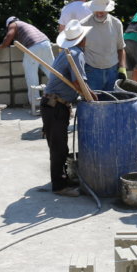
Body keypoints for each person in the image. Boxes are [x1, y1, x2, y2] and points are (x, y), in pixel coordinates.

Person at [41, 20, 93, 197]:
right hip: (55, 105)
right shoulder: (76, 53)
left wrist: (90, 93)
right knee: (58, 148)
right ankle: (59, 186)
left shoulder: (67, 52)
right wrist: (90, 97)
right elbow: (78, 82)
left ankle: (62, 179)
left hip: (53, 104)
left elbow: (78, 82)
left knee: (59, 147)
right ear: (82, 39)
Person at [0, 16, 55, 115]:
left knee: (31, 76)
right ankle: (61, 100)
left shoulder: (13, 24)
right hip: (46, 43)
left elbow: (9, 36)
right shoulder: (25, 24)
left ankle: (36, 105)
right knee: (53, 74)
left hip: (33, 46)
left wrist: (1, 46)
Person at [81, 0, 127, 92]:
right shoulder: (83, 24)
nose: (100, 12)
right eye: (97, 9)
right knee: (93, 101)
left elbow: (120, 48)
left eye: (103, 10)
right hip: (91, 71)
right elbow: (78, 51)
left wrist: (122, 67)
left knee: (112, 100)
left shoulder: (116, 24)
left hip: (112, 71)